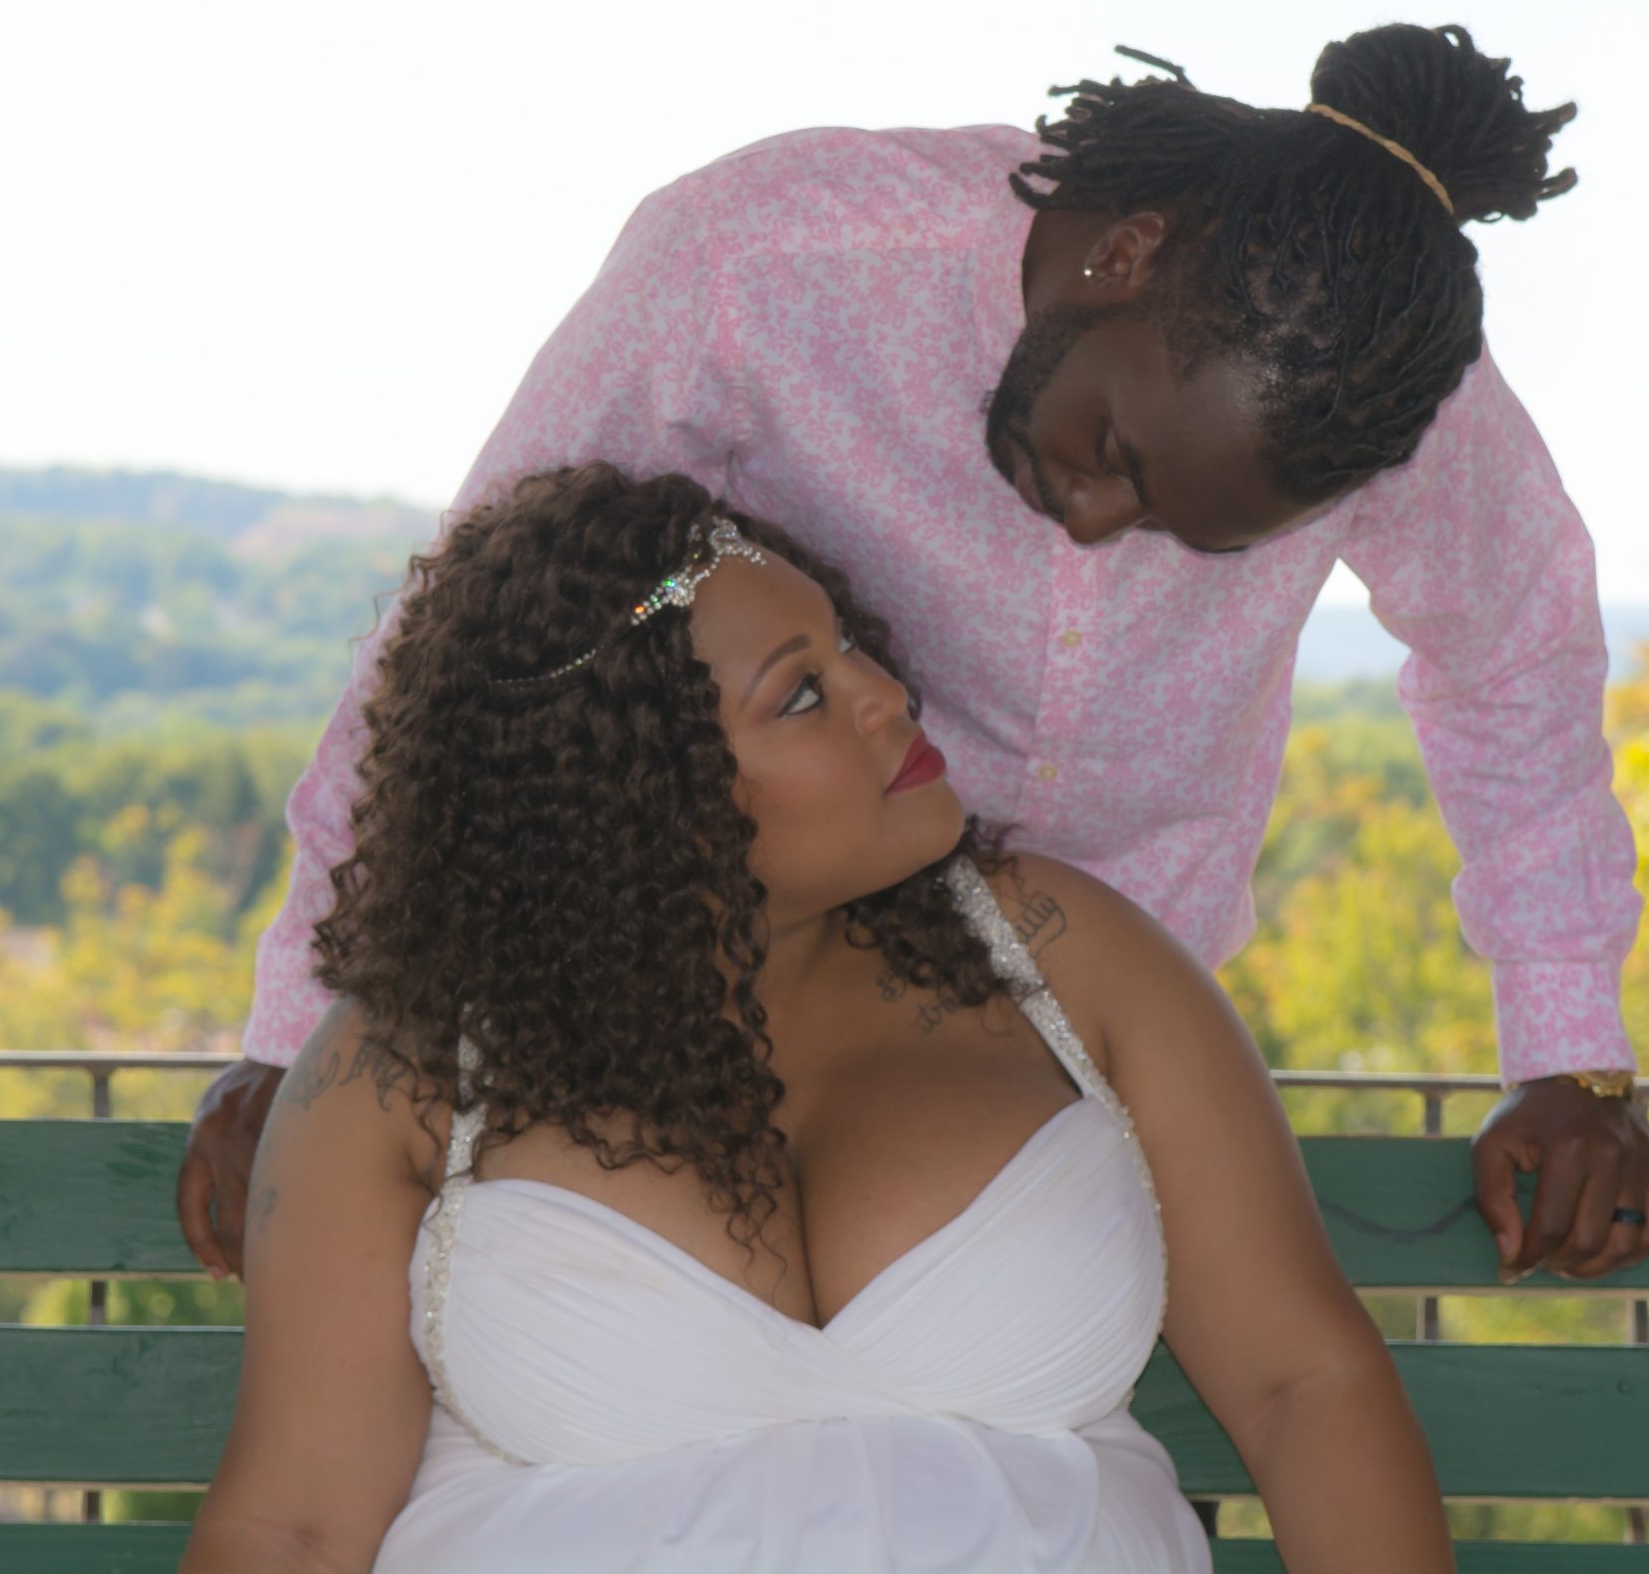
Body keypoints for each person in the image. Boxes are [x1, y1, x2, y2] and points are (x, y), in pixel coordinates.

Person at [180, 23, 1649, 1292]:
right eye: (1107, 447)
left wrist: (1568, 1052)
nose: (1093, 521)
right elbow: (476, 643)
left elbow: (1512, 657)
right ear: (1126, 252)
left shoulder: (1386, 381)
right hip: (708, 1020)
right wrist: (299, 1037)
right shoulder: (758, 258)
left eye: (1176, 524)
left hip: (1104, 1070)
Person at [177, 466, 1456, 1574]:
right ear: (647, 799)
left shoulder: (1069, 962)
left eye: (848, 643)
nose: (886, 695)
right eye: (800, 693)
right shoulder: (406, 1067)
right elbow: (291, 1531)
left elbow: (1304, 1389)